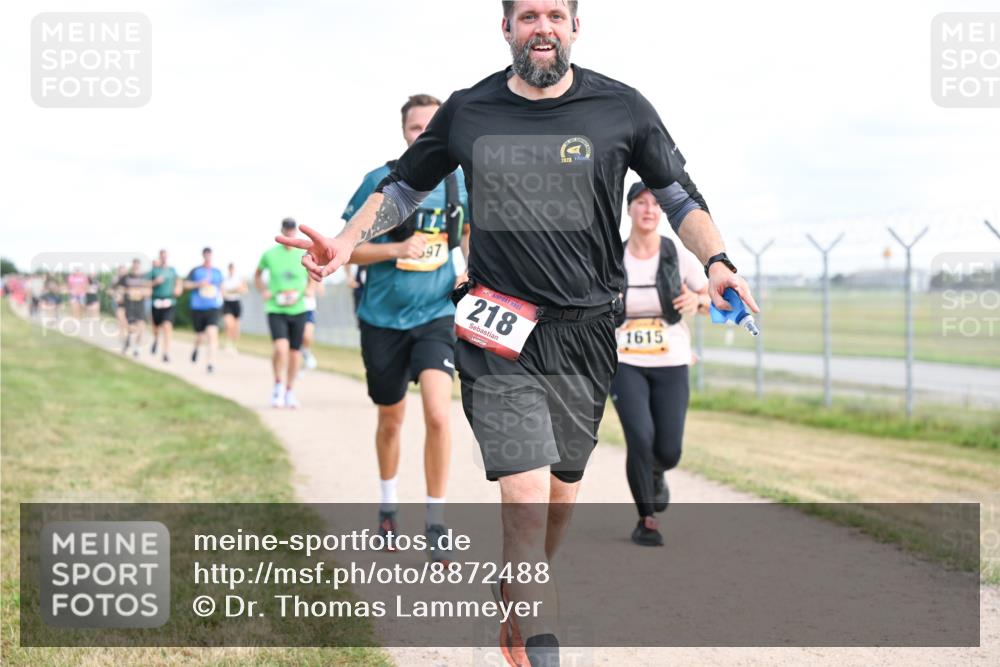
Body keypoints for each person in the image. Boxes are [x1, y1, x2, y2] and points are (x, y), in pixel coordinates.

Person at [278, 2, 758, 664]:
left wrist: (718, 261)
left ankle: (520, 586)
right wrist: (347, 239)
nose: (542, 26)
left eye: (555, 14)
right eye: (528, 15)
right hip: (498, 329)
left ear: (575, 27)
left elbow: (677, 195)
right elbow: (404, 188)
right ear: (506, 28)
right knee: (526, 495)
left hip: (587, 332)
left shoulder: (622, 108)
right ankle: (540, 638)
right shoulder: (469, 110)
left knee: (560, 495)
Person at [336, 93, 471, 565]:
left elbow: (468, 233)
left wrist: (470, 268)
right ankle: (389, 507)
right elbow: (347, 250)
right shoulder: (379, 181)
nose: (425, 134)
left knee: (438, 414)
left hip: (436, 315)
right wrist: (396, 249)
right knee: (391, 419)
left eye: (433, 126)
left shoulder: (461, 182)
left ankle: (436, 521)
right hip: (382, 319)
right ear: (405, 133)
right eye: (417, 127)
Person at [610, 182, 710, 547]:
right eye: (641, 202)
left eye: (655, 203)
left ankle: (656, 471)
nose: (649, 209)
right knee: (639, 438)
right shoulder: (613, 257)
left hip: (671, 359)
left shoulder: (677, 254)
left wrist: (696, 301)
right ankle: (646, 519)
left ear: (662, 211)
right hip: (624, 360)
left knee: (668, 450)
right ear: (629, 209)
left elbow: (709, 297)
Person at [256, 218, 310, 408]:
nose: (289, 233)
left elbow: (313, 274)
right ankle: (278, 385)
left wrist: (310, 288)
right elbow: (257, 275)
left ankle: (289, 390)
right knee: (280, 348)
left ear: (295, 231)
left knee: (295, 353)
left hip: (298, 307)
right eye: (286, 230)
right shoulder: (270, 254)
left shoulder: (304, 253)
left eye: (292, 230)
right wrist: (263, 290)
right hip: (276, 307)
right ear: (282, 231)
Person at [184, 247, 224, 374]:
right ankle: (196, 348)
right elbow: (185, 285)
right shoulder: (195, 271)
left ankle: (210, 363)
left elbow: (221, 288)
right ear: (203, 255)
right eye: (206, 254)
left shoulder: (217, 272)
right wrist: (198, 284)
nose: (208, 257)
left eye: (209, 255)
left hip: (213, 307)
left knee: (212, 334)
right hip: (198, 307)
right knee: (200, 336)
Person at [148, 249, 181, 362]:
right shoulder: (154, 271)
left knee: (167, 326)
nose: (164, 258)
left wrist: (178, 288)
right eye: (162, 256)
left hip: (169, 302)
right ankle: (156, 339)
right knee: (155, 327)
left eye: (165, 256)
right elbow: (146, 284)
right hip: (156, 301)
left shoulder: (172, 270)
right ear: (160, 257)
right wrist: (155, 282)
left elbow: (178, 282)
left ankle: (166, 352)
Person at [117, 258, 151, 356]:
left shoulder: (144, 277)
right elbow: (119, 288)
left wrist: (143, 292)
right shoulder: (126, 277)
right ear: (132, 265)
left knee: (141, 326)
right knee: (131, 327)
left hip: (140, 304)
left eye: (137, 265)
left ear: (139, 266)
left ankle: (137, 348)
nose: (136, 267)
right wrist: (124, 293)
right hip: (129, 305)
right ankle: (128, 341)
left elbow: (149, 291)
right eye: (134, 264)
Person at [221, 262, 248, 352]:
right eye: (230, 269)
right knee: (229, 325)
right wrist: (234, 290)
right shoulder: (225, 280)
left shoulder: (239, 279)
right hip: (227, 303)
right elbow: (223, 293)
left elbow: (245, 290)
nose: (231, 270)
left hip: (236, 303)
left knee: (236, 327)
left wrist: (238, 289)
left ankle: (234, 345)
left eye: (232, 269)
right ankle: (228, 344)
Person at [300, 278, 324, 370]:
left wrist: (312, 287)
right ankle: (296, 367)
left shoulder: (311, 270)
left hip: (308, 307)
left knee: (307, 336)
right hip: (291, 306)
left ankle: (306, 352)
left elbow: (321, 289)